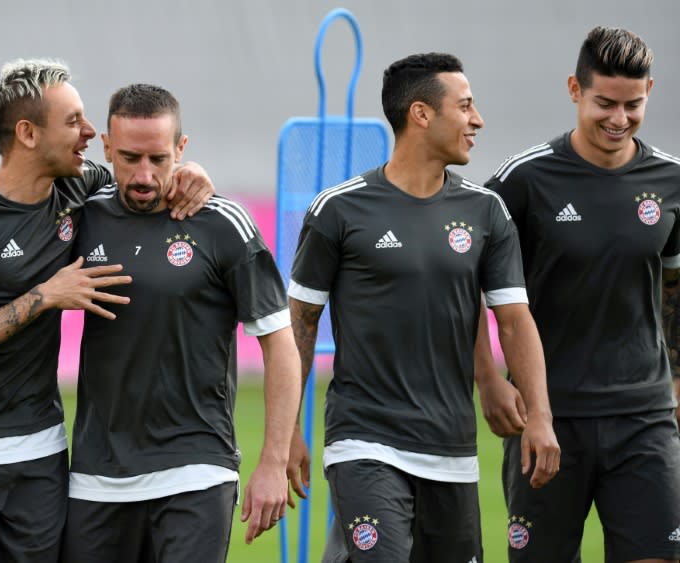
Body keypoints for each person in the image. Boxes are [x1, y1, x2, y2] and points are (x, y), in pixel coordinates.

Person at [0, 59, 213, 562]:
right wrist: (45, 295)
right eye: (74, 121)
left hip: (40, 449)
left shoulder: (78, 187)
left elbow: (148, 172)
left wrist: (192, 172)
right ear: (28, 133)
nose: (91, 133)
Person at [286, 52, 560, 563]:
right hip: (365, 442)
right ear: (421, 114)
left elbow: (514, 320)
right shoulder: (338, 209)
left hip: (453, 450)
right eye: (466, 106)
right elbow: (299, 325)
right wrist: (286, 434)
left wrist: (539, 415)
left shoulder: (487, 212)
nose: (477, 120)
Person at [58, 83, 302, 562]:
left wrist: (272, 460)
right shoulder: (82, 214)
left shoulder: (222, 222)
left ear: (182, 149)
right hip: (96, 477)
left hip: (196, 471)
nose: (144, 175)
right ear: (106, 147)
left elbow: (280, 343)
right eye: (129, 158)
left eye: (159, 158)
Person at [476, 26, 680, 563]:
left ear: (649, 92)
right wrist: (490, 380)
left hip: (645, 418)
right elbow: (466, 289)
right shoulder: (523, 181)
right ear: (574, 90)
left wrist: (676, 383)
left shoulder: (671, 181)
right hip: (548, 417)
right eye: (604, 103)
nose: (619, 119)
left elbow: (674, 289)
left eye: (633, 105)